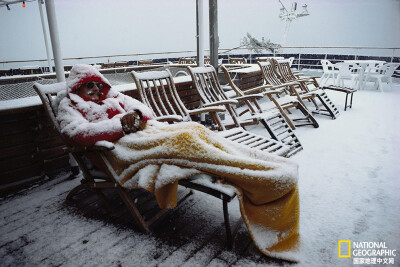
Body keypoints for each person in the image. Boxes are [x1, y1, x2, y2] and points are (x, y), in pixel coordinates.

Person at [57, 64, 300, 262]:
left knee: (195, 129)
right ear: (78, 87)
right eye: (90, 85)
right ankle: (262, 176)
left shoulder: (113, 96)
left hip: (149, 131)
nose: (96, 89)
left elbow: (143, 110)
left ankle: (262, 164)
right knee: (185, 139)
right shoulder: (70, 106)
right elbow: (75, 134)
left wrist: (137, 117)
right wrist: (119, 125)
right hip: (122, 148)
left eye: (99, 84)